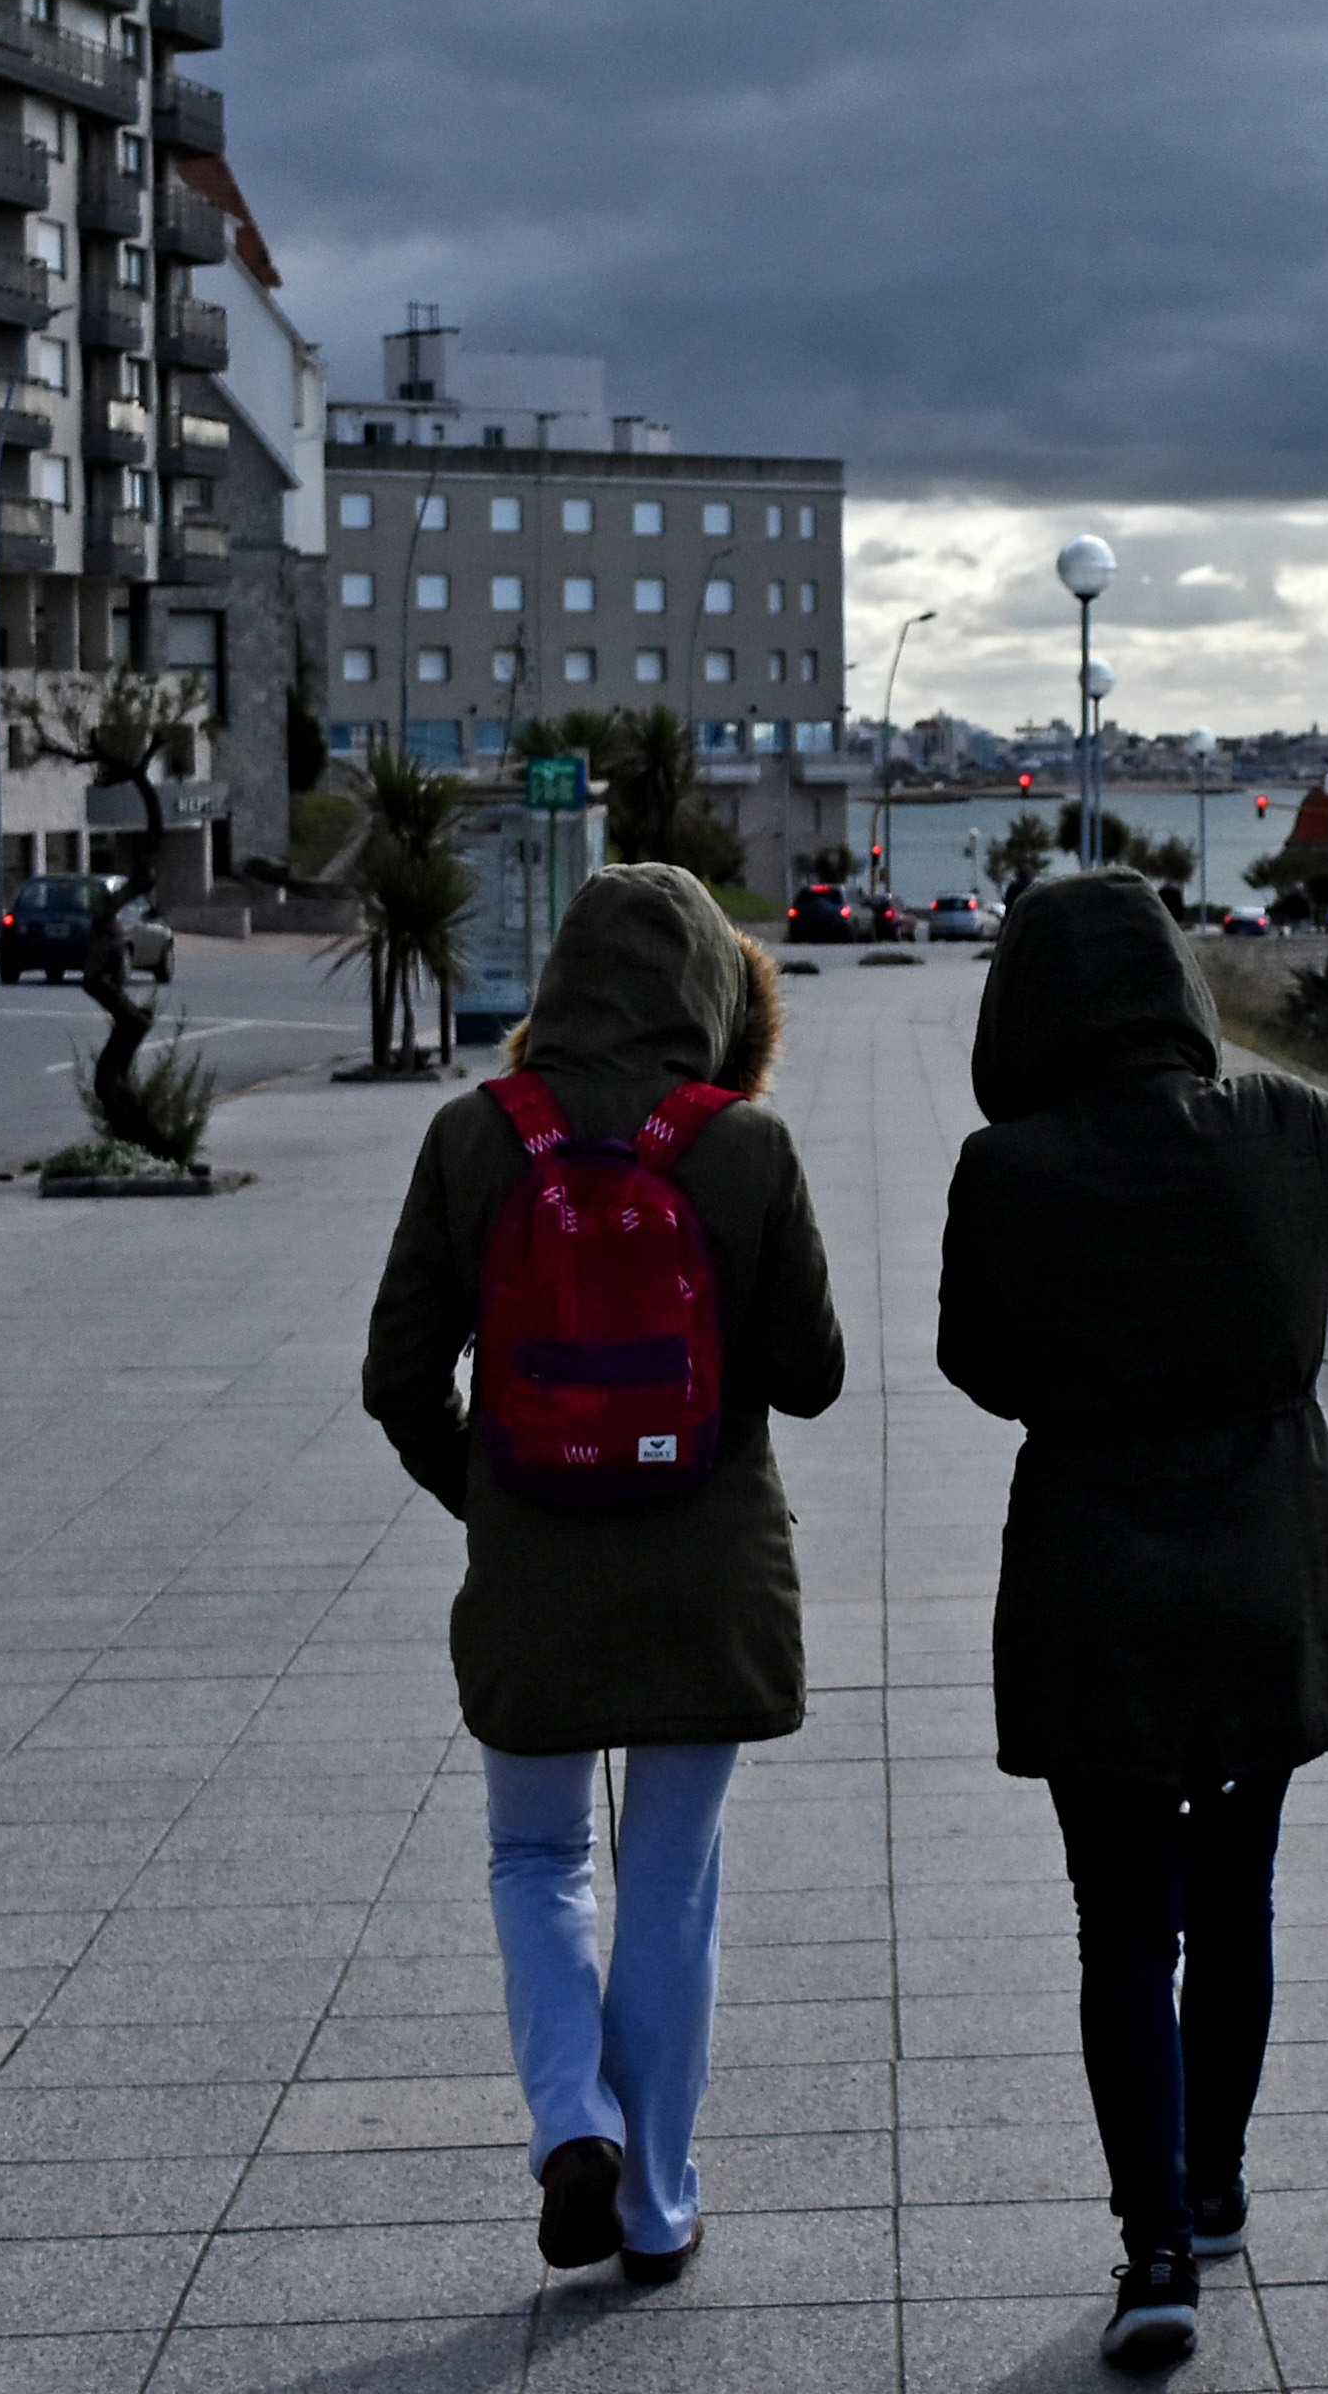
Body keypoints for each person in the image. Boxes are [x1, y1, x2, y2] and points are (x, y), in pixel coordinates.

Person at [936, 871, 1328, 2372]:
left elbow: (977, 1366)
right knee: (1236, 1891)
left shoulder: (1005, 1171)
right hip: (1267, 1572)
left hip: (1092, 1581)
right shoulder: (1281, 1128)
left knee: (1122, 1923)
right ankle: (1217, 2179)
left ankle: (1152, 2251)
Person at [362, 863, 845, 2287]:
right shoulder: (743, 1148)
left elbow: (397, 1378)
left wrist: (494, 1498)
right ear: (714, 990)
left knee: (534, 1856)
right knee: (672, 1882)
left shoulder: (474, 1135)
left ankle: (573, 2125)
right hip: (710, 1574)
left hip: (536, 1579)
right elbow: (811, 1379)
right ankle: (656, 2206)